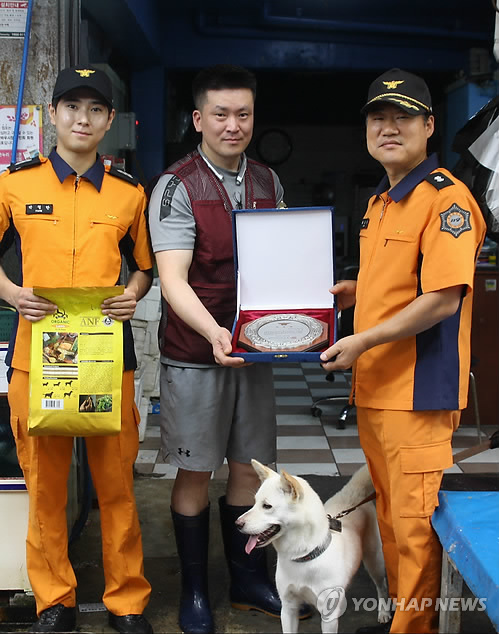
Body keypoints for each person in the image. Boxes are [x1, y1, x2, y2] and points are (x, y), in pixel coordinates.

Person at [320, 68, 486, 634]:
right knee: (390, 518)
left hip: (418, 392)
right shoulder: (381, 203)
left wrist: (362, 338)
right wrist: (356, 294)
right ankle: (399, 618)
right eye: (378, 117)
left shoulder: (446, 201)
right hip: (376, 389)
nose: (388, 128)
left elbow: (440, 299)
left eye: (403, 117)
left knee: (415, 529)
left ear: (429, 126)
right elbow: (398, 284)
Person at [148, 64, 309, 634]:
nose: (233, 124)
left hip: (256, 353)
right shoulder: (176, 186)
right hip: (196, 352)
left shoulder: (268, 181)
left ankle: (247, 583)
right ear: (198, 119)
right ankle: (196, 591)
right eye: (220, 114)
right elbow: (173, 280)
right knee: (196, 470)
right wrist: (214, 333)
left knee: (247, 468)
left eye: (243, 113)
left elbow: (282, 264)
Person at [0, 66, 154, 634]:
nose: (82, 119)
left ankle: (127, 601)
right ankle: (54, 602)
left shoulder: (129, 192)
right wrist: (13, 293)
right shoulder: (15, 184)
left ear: (110, 120)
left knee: (116, 486)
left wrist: (133, 294)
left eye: (94, 109)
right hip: (37, 359)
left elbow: (144, 265)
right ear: (53, 114)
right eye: (71, 107)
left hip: (105, 359)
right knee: (44, 487)